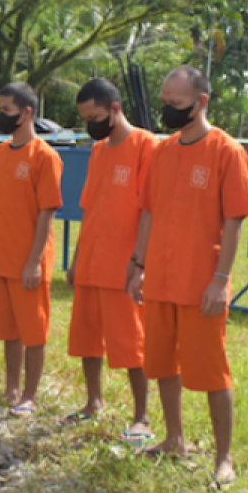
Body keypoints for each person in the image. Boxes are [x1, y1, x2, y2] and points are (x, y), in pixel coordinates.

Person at [126, 66, 248, 487]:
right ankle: (174, 438)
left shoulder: (226, 151)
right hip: (160, 278)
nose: (167, 111)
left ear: (201, 102)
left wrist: (221, 279)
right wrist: (138, 263)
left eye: (175, 104)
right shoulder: (161, 153)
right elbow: (148, 210)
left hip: (202, 282)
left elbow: (234, 221)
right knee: (161, 363)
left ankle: (223, 458)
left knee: (212, 370)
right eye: (164, 102)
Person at [64, 78, 155, 443]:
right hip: (92, 260)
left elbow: (150, 209)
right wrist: (76, 258)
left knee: (130, 340)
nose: (91, 124)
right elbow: (89, 209)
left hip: (124, 264)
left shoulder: (145, 146)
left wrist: (140, 261)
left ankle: (142, 416)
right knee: (86, 336)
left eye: (96, 116)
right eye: (86, 118)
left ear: (115, 109)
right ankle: (93, 402)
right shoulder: (98, 151)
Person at [0, 82, 63, 415]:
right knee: (9, 330)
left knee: (32, 331)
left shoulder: (45, 157)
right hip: (1, 257)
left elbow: (47, 212)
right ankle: (11, 389)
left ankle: (30, 395)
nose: (1, 117)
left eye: (6, 111)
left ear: (27, 113)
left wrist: (34, 261)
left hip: (29, 260)